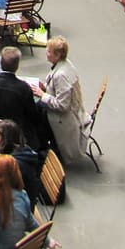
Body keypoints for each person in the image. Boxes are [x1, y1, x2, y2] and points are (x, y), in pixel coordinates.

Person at [30, 36, 90, 164]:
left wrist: (42, 94)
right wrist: (45, 87)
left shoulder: (61, 75)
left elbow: (62, 105)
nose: (46, 53)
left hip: (62, 119)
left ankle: (42, 150)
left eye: (48, 51)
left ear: (56, 55)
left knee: (35, 116)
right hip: (72, 111)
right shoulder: (66, 64)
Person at [0, 120, 42, 208]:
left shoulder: (12, 164)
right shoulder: (25, 149)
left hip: (19, 208)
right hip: (27, 201)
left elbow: (3, 191)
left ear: (6, 140)